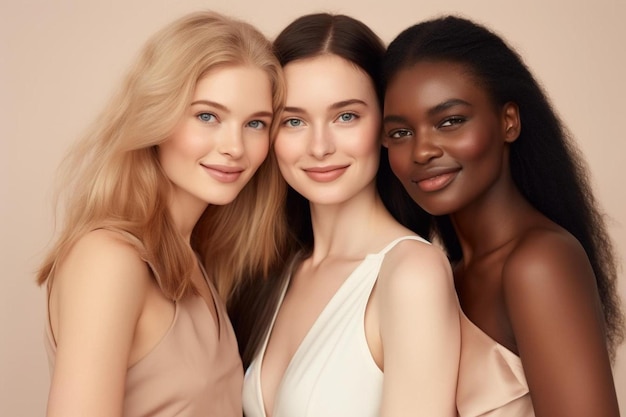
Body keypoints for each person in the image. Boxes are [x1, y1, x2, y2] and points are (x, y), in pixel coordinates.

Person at [37, 11, 288, 417]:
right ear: (156, 115)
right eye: (207, 116)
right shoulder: (111, 258)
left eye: (256, 123)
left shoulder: (196, 259)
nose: (235, 147)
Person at [382, 15, 624, 417]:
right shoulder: (444, 273)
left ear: (508, 121)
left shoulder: (539, 263)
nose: (422, 151)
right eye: (401, 133)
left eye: (451, 121)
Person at [238, 13, 460, 417]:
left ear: (383, 125)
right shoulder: (282, 270)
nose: (320, 146)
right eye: (293, 121)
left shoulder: (412, 273)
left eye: (346, 116)